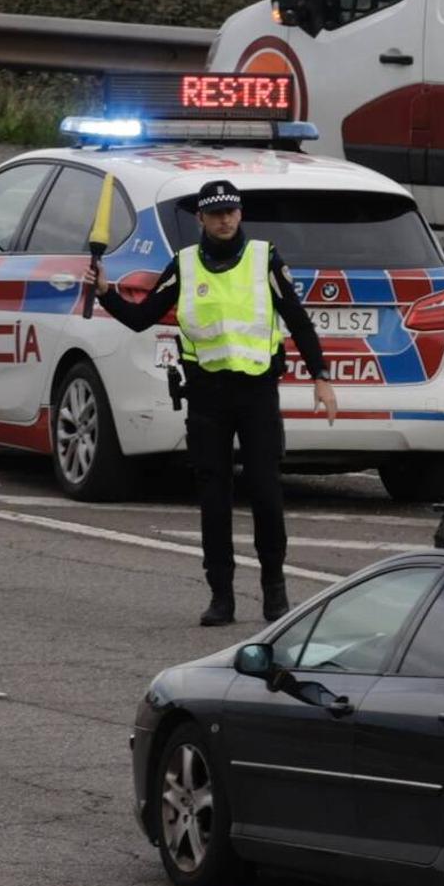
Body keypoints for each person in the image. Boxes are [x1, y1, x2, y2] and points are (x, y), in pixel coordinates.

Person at [86, 179, 337, 626]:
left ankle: (274, 591)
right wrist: (106, 292)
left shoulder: (264, 259)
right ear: (201, 218)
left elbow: (297, 319)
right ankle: (221, 596)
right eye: (216, 213)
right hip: (206, 396)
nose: (224, 220)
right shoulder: (184, 265)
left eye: (231, 211)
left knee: (265, 491)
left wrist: (321, 376)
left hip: (256, 393)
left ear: (240, 214)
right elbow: (142, 318)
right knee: (213, 497)